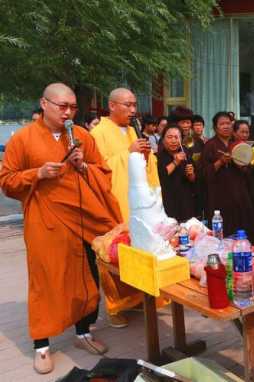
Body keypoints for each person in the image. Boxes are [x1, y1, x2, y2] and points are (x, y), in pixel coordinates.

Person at [0, 83, 123, 374]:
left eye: (72, 107)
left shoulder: (80, 137)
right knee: (46, 280)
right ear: (44, 104)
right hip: (46, 221)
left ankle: (83, 333)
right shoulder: (22, 139)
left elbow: (103, 172)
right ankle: (41, 345)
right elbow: (6, 180)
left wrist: (84, 167)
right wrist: (37, 173)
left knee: (85, 276)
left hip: (83, 219)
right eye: (61, 106)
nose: (68, 113)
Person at [91, 88, 158, 328]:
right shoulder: (98, 133)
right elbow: (98, 169)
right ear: (111, 105)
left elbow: (147, 165)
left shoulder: (133, 131)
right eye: (127, 105)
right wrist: (127, 154)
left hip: (137, 202)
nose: (132, 110)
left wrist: (147, 156)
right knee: (113, 253)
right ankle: (115, 307)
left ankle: (137, 298)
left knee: (138, 249)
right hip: (115, 201)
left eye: (134, 105)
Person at [202, 112, 254, 244]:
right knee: (223, 228)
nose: (226, 126)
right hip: (219, 195)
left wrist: (249, 165)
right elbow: (203, 173)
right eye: (222, 124)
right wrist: (220, 161)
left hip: (239, 193)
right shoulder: (210, 146)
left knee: (243, 225)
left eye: (228, 123)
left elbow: (245, 169)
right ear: (215, 127)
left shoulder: (238, 144)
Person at [157, 126, 197, 222]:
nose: (174, 141)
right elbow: (161, 176)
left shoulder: (186, 155)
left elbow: (193, 180)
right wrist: (175, 162)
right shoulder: (158, 157)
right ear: (163, 140)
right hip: (167, 201)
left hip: (185, 202)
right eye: (169, 137)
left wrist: (191, 174)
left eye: (177, 137)